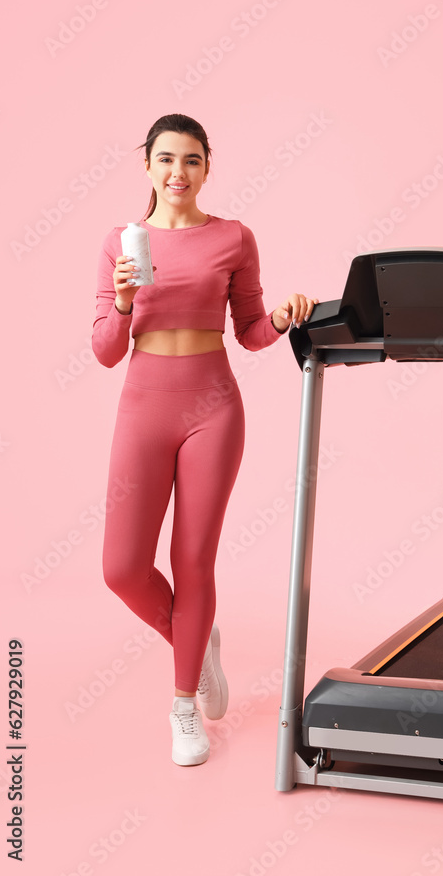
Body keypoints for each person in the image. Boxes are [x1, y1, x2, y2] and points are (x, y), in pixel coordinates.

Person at [92, 113, 317, 766]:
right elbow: (105, 350)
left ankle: (183, 706)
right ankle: (196, 638)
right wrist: (128, 303)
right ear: (147, 167)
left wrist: (277, 319)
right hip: (143, 405)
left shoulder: (232, 237)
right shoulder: (119, 242)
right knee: (122, 568)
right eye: (165, 160)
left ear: (207, 167)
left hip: (212, 408)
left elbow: (248, 329)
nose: (177, 173)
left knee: (192, 562)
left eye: (190, 160)